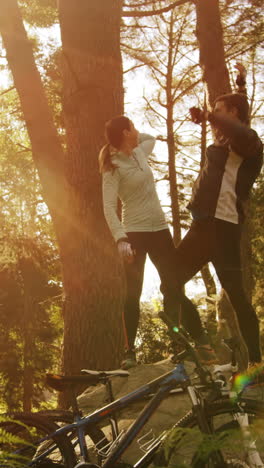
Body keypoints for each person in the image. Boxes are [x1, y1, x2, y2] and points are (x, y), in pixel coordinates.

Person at [99, 116, 217, 369]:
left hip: (160, 230)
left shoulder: (140, 152)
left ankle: (194, 339)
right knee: (133, 293)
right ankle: (129, 352)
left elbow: (150, 138)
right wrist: (120, 238)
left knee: (173, 286)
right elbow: (109, 207)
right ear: (124, 131)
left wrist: (126, 140)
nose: (137, 128)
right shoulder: (112, 168)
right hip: (134, 234)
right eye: (132, 125)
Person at [174, 66, 263, 367]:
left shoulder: (250, 144)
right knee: (169, 284)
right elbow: (235, 117)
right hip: (201, 228)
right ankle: (201, 343)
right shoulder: (225, 140)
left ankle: (255, 364)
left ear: (233, 113)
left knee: (237, 297)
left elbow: (240, 130)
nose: (214, 117)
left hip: (224, 229)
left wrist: (211, 116)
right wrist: (239, 84)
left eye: (220, 112)